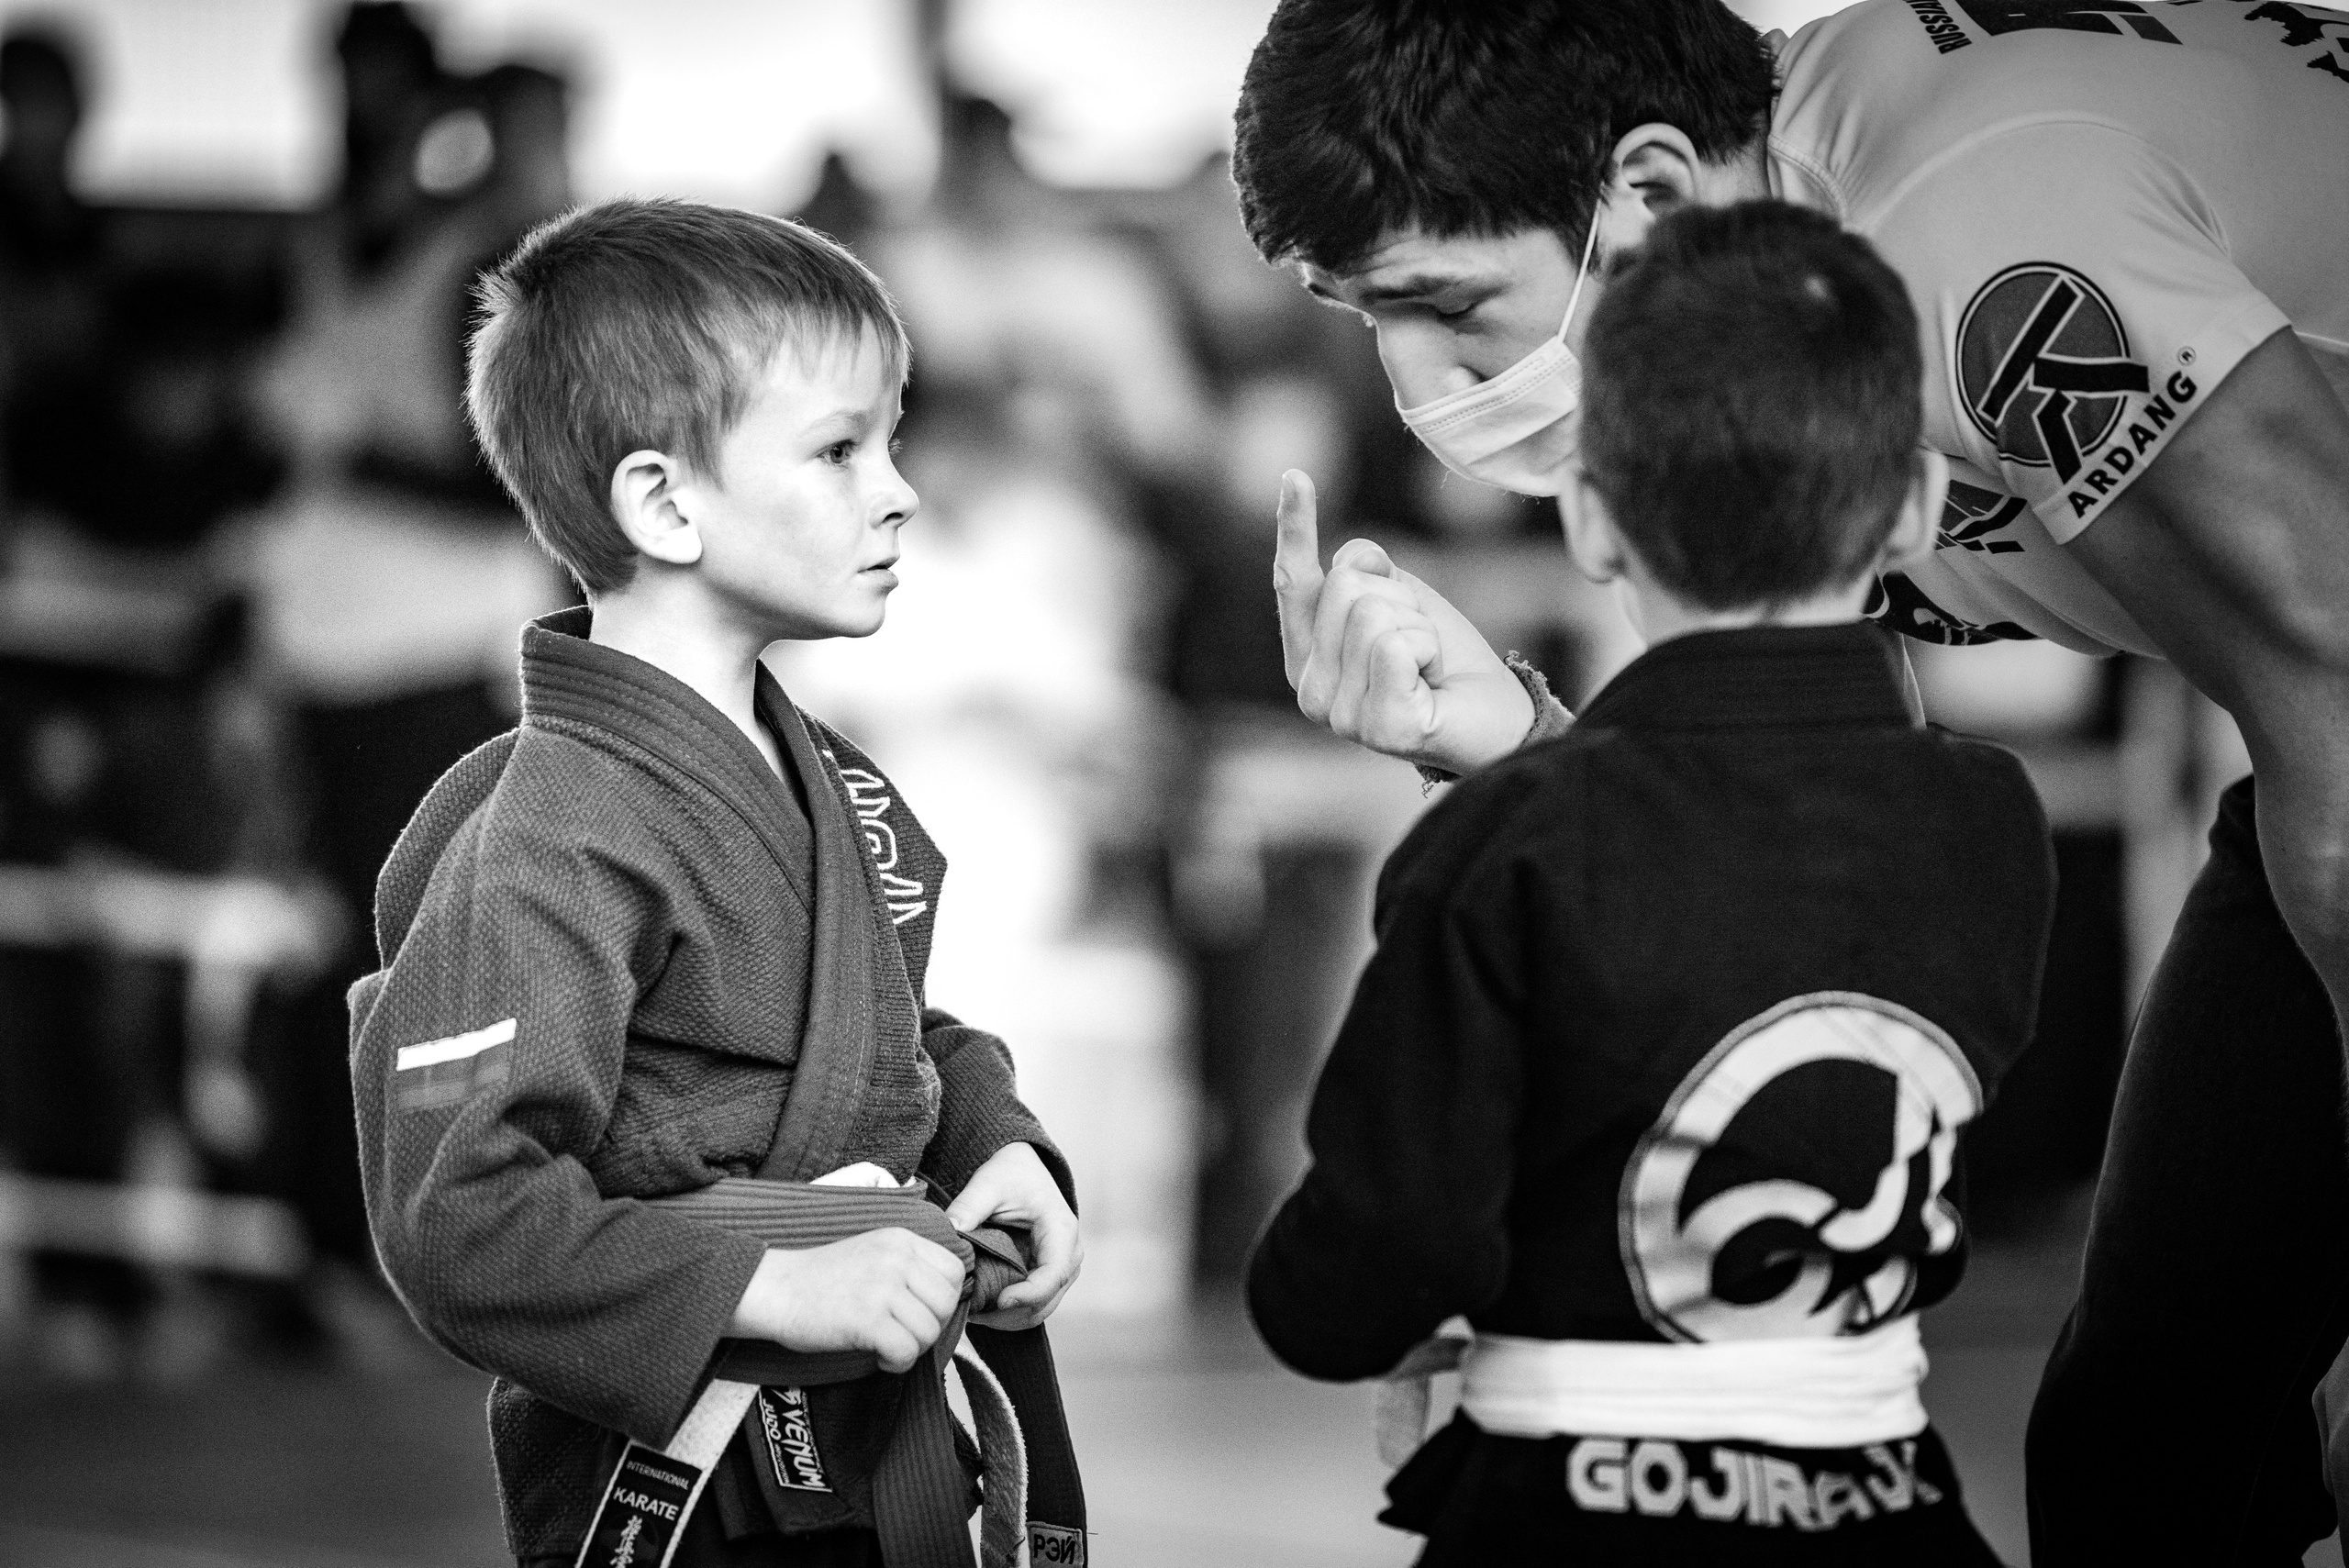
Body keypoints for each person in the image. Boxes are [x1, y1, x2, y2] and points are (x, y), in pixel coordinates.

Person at [1230, 3, 2349, 1561]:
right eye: (1369, 322)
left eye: (1447, 307)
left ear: (1653, 190)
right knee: (2151, 1450)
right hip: (2319, 745)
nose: (1424, 383)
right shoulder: (1755, 320)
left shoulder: (1983, 221)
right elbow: (1788, 856)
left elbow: (2348, 680)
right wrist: (1504, 750)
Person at [1248, 197, 2053, 1565]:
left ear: (1594, 517)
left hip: (1564, 1514)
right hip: (1899, 1508)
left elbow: (1368, 1261)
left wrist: (1365, 1300)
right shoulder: (1991, 820)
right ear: (1915, 505)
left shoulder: (1511, 841)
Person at [348, 199, 1085, 1568]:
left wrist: (992, 1136)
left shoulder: (829, 776)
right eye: (838, 449)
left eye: (893, 438)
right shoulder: (547, 836)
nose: (899, 489)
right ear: (665, 502)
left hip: (872, 1444)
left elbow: (875, 1036)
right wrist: (779, 1275)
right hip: (687, 1489)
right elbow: (461, 1214)